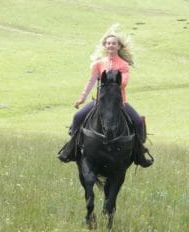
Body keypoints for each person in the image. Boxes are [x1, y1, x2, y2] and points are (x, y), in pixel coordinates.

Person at [58, 24, 153, 167]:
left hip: (119, 103)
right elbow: (91, 81)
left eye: (114, 43)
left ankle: (139, 153)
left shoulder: (123, 65)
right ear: (105, 46)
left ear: (119, 46)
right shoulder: (98, 64)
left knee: (138, 122)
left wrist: (114, 84)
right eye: (108, 43)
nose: (111, 46)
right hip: (99, 101)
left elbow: (124, 82)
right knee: (77, 117)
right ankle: (72, 149)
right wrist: (82, 98)